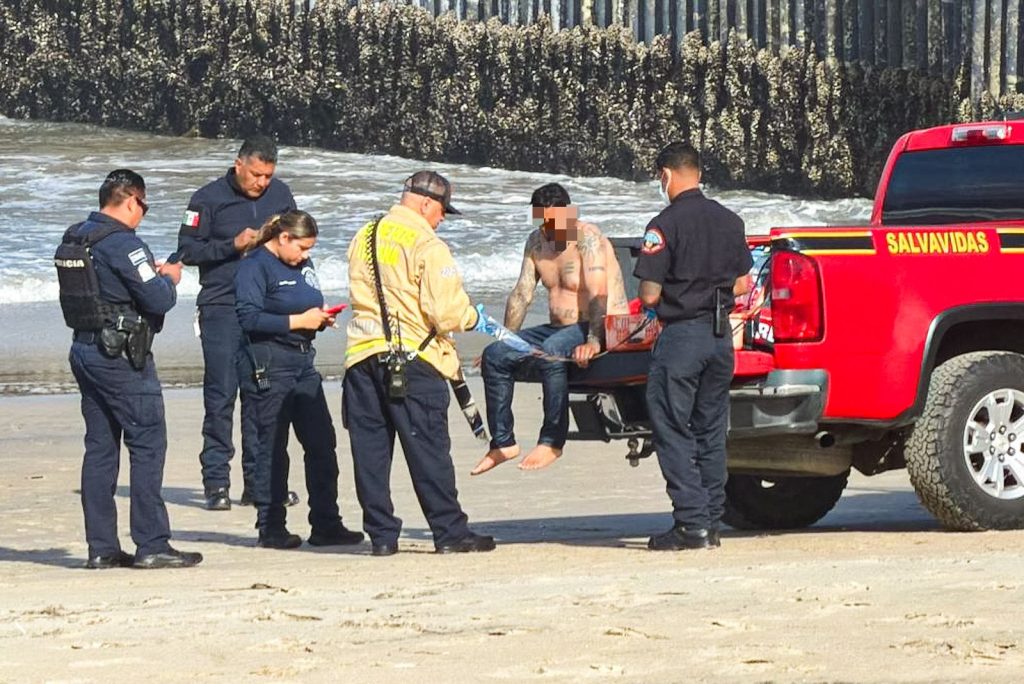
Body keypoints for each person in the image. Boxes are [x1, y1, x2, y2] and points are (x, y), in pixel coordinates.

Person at [342, 171, 495, 556]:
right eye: (442, 210)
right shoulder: (429, 245)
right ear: (426, 203)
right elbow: (446, 314)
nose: (442, 218)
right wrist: (474, 317)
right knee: (428, 449)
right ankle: (449, 532)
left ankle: (381, 536)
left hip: (361, 356)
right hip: (412, 359)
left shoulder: (365, 234)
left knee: (370, 453)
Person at [57, 169, 202, 569]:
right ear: (131, 200)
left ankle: (101, 548)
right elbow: (158, 300)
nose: (143, 215)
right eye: (145, 207)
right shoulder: (123, 242)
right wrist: (168, 278)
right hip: (120, 357)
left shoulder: (76, 237)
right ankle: (152, 543)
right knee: (147, 444)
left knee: (100, 449)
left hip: (85, 350)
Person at [634, 142, 752, 551]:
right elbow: (743, 284)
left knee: (671, 427)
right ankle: (711, 522)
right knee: (711, 430)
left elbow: (649, 295)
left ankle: (690, 523)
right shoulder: (730, 221)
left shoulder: (663, 225)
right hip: (721, 339)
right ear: (699, 173)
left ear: (666, 174)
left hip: (682, 335)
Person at [470, 183, 629, 476]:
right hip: (560, 329)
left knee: (552, 350)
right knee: (495, 355)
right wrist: (504, 340)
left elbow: (598, 293)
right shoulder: (536, 242)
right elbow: (521, 294)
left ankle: (552, 440)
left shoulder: (587, 238)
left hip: (601, 325)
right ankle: (503, 443)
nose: (551, 229)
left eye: (557, 222)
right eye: (545, 222)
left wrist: (594, 340)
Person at [177, 135, 299, 511]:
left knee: (262, 397)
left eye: (267, 176)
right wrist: (232, 245)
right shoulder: (207, 198)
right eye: (256, 174)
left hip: (266, 306)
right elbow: (187, 250)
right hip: (221, 305)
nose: (261, 183)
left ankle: (259, 484)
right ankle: (216, 483)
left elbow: (298, 244)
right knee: (221, 395)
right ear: (239, 164)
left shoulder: (281, 195)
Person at [234, 210, 365, 549]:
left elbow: (305, 303)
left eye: (311, 249)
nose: (306, 255)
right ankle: (271, 526)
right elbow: (248, 317)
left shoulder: (303, 265)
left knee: (322, 443)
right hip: (268, 363)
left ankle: (325, 522)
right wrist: (297, 321)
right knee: (272, 449)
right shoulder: (254, 265)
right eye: (303, 247)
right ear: (283, 238)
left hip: (303, 361)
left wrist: (319, 319)